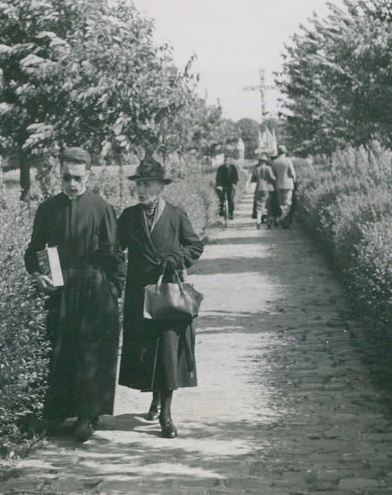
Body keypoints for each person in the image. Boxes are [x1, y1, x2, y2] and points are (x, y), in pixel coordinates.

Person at [23, 147, 126, 442]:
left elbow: (115, 254)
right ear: (60, 174)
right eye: (67, 176)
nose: (72, 183)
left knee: (90, 350)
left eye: (77, 177)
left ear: (88, 176)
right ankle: (57, 413)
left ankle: (86, 415)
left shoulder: (102, 208)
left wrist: (114, 290)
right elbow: (33, 251)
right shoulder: (47, 209)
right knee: (60, 347)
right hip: (60, 288)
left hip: (95, 287)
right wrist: (37, 276)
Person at [117, 157, 204, 438]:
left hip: (168, 296)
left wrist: (177, 257)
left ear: (161, 187)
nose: (141, 190)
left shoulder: (176, 216)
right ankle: (154, 395)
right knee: (145, 353)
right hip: (139, 294)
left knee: (167, 353)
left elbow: (195, 245)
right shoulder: (128, 217)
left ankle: (166, 414)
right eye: (139, 184)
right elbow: (115, 250)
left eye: (148, 184)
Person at [270, 145, 297, 228]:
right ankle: (282, 219)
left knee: (281, 204)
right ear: (285, 152)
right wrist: (295, 181)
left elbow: (273, 175)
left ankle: (283, 220)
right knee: (287, 203)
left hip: (278, 184)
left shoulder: (274, 162)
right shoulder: (288, 160)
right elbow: (292, 173)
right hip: (288, 184)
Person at [250, 154, 276, 229]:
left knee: (259, 205)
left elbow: (253, 179)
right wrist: (275, 178)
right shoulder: (268, 168)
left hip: (258, 188)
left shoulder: (256, 168)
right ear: (265, 161)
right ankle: (268, 221)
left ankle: (258, 221)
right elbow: (272, 177)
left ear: (259, 161)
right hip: (267, 188)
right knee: (268, 205)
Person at [215, 154, 238, 220]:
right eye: (225, 160)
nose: (226, 161)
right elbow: (218, 178)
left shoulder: (233, 168)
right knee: (221, 199)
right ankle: (221, 212)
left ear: (230, 160)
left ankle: (231, 213)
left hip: (230, 186)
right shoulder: (220, 168)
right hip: (222, 186)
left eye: (227, 160)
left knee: (230, 199)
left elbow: (235, 177)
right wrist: (219, 185)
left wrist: (234, 184)